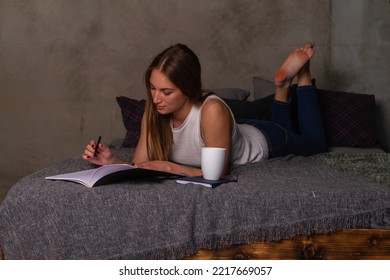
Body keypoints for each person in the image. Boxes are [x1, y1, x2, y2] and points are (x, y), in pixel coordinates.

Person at [83, 42, 328, 177]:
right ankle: (283, 88)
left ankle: (303, 77)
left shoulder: (211, 111)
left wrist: (170, 167)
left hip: (264, 140)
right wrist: (110, 161)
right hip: (230, 132)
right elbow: (142, 168)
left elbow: (216, 175)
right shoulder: (155, 109)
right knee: (284, 123)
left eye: (166, 92)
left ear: (189, 89)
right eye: (152, 88)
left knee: (316, 145)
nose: (156, 98)